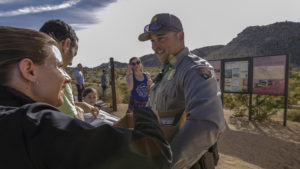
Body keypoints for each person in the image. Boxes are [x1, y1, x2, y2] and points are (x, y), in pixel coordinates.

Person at [0, 26, 172, 169]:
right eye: (59, 67)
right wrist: (147, 116)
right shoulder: (36, 124)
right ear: (29, 70)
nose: (67, 78)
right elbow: (155, 157)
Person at [138, 13, 226, 169]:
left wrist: (167, 164)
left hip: (187, 163)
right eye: (152, 40)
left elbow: (207, 123)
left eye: (161, 38)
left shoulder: (193, 69)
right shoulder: (168, 69)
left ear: (181, 36)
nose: (155, 46)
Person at [40, 19, 97, 119]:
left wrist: (80, 105)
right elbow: (75, 127)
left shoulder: (29, 73)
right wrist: (80, 116)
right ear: (65, 44)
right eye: (73, 54)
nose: (71, 63)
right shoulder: (58, 77)